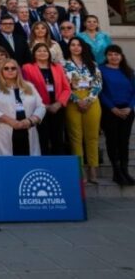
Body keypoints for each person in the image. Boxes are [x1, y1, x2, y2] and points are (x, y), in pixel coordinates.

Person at [0, 59, 45, 155]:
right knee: (6, 164)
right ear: (1, 71)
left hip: (27, 129)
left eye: (13, 68)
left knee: (27, 162)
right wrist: (11, 121)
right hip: (3, 131)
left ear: (18, 70)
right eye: (6, 68)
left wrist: (30, 121)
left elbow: (41, 106)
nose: (10, 70)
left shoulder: (29, 86)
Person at [64, 37, 103, 184]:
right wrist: (77, 100)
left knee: (92, 136)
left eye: (78, 45)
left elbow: (98, 84)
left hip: (91, 99)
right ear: (69, 48)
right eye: (72, 45)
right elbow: (64, 86)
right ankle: (79, 170)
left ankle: (92, 168)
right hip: (72, 100)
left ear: (83, 47)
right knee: (75, 136)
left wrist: (88, 100)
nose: (75, 47)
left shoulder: (92, 64)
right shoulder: (63, 65)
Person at [22, 43, 71, 156]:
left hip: (57, 109)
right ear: (34, 54)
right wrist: (44, 106)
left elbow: (66, 88)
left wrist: (59, 103)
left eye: (45, 51)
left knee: (58, 140)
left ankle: (58, 168)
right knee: (42, 140)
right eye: (39, 51)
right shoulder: (27, 67)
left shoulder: (57, 67)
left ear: (49, 53)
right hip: (38, 109)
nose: (42, 53)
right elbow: (28, 89)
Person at [99, 44, 135, 186]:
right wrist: (112, 108)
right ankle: (116, 171)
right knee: (112, 140)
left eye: (116, 54)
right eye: (110, 54)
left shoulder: (128, 71)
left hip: (127, 110)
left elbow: (134, 91)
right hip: (110, 110)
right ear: (106, 56)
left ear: (121, 56)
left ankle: (125, 170)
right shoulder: (100, 70)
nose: (114, 57)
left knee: (124, 141)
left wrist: (130, 107)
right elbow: (100, 91)